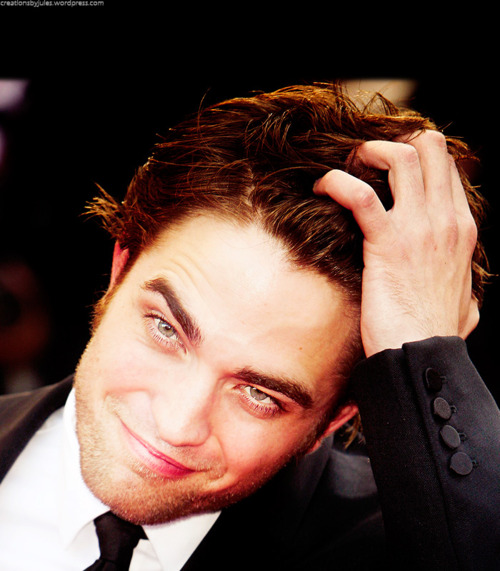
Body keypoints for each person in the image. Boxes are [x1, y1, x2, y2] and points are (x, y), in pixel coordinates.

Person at [0, 82, 499, 570]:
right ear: (119, 270)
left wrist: (425, 356)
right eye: (166, 330)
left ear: (332, 421)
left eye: (259, 395)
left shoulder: (389, 543)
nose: (176, 425)